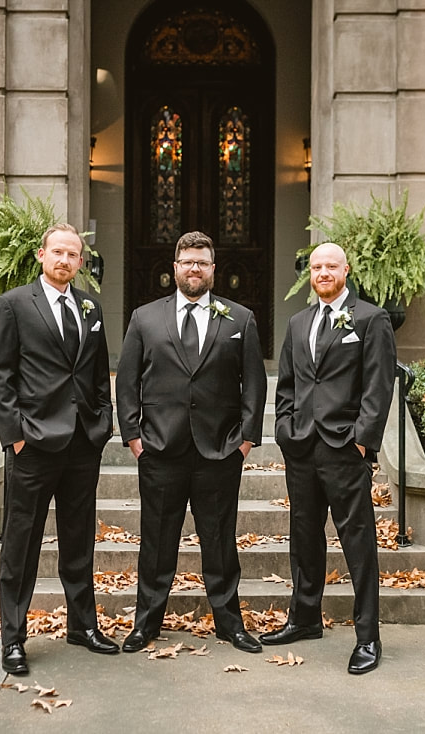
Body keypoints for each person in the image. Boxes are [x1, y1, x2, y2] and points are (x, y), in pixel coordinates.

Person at [116, 231, 267, 654]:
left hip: (219, 451)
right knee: (156, 543)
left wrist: (245, 441)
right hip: (160, 450)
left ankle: (229, 624)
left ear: (213, 270)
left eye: (202, 262)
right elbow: (127, 382)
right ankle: (146, 624)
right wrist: (134, 437)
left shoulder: (240, 319)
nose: (194, 269)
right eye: (187, 262)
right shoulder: (145, 318)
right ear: (175, 267)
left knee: (220, 543)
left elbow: (254, 385)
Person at [0, 223, 118, 676]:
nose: (64, 260)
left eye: (73, 255)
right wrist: (16, 435)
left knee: (79, 539)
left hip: (82, 442)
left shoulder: (90, 306)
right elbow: (0, 376)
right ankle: (13, 638)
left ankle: (82, 626)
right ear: (42, 255)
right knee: (21, 544)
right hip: (34, 444)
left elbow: (99, 373)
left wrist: (102, 424)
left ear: (81, 262)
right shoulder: (14, 305)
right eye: (57, 252)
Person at [263, 242, 396, 675]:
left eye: (330, 266)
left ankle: (368, 637)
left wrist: (362, 441)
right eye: (316, 266)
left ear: (346, 270)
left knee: (357, 541)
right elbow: (287, 384)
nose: (322, 272)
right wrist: (285, 428)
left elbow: (378, 388)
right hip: (301, 446)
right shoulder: (299, 322)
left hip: (344, 447)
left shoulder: (370, 319)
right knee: (303, 537)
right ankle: (304, 619)